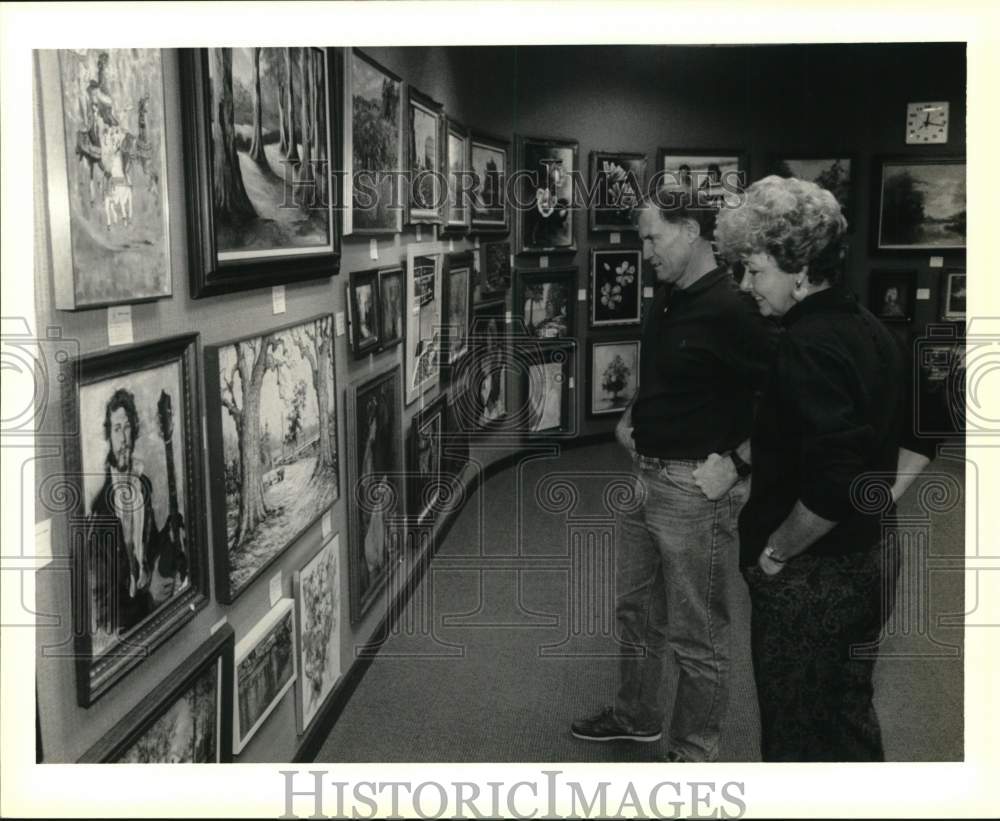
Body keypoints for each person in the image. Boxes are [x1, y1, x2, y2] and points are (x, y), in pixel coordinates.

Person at [714, 175, 934, 761]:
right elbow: (920, 437)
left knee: (796, 738)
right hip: (871, 559)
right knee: (847, 713)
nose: (745, 284)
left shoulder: (806, 345)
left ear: (801, 268)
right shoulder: (874, 330)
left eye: (755, 271)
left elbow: (834, 486)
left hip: (811, 577)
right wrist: (877, 500)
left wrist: (778, 551)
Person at [571, 186, 776, 762]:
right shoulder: (667, 295)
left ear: (691, 231)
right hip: (645, 476)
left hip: (694, 492)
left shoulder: (736, 310)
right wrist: (630, 416)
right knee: (637, 611)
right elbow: (661, 374)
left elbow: (785, 401)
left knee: (697, 634)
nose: (645, 250)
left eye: (652, 236)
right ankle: (636, 716)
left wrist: (737, 464)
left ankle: (693, 753)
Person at [86, 388, 185, 635]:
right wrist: (146, 598)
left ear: (135, 431)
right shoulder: (100, 513)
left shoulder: (143, 487)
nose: (123, 439)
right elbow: (103, 602)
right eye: (117, 429)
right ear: (108, 435)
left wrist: (169, 532)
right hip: (125, 621)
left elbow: (148, 550)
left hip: (150, 610)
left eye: (128, 427)